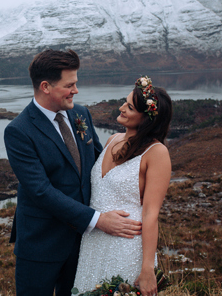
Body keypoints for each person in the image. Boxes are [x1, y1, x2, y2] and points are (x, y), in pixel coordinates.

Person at [4, 49, 142, 296]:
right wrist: (99, 220)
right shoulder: (18, 131)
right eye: (70, 85)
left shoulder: (81, 114)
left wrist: (145, 155)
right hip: (41, 244)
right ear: (46, 86)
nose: (76, 90)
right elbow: (41, 192)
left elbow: (101, 164)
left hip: (84, 243)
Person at [73, 76, 173, 296]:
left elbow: (150, 213)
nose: (121, 108)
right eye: (125, 102)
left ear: (146, 119)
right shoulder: (112, 140)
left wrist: (147, 267)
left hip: (126, 246)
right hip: (93, 242)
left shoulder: (157, 153)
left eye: (129, 107)